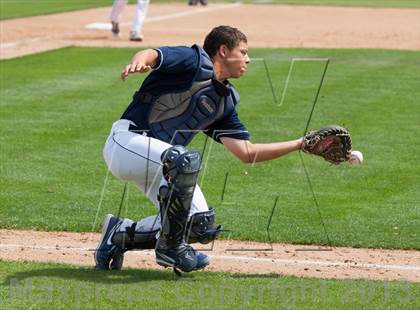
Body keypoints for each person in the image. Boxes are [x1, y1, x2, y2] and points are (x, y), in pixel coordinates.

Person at [94, 25, 303, 273]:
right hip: (126, 144)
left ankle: (118, 234)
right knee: (183, 159)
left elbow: (247, 153)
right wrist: (139, 61)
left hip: (162, 161)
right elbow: (152, 54)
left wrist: (301, 144)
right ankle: (171, 249)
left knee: (199, 224)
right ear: (223, 51)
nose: (248, 59)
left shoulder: (223, 102)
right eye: (243, 51)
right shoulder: (193, 60)